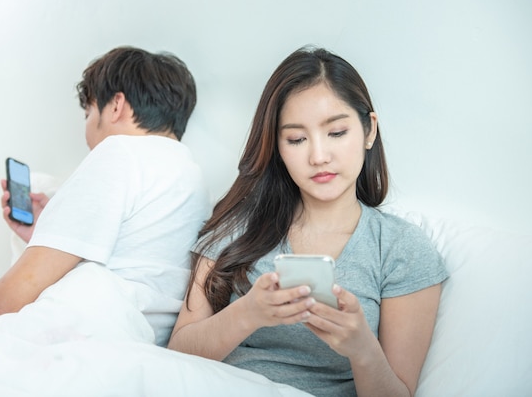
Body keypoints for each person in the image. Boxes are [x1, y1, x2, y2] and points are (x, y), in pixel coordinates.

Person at [167, 46, 449, 396]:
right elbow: (175, 354)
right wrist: (248, 313)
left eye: (336, 132)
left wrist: (362, 348)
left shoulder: (402, 249)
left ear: (369, 131)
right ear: (278, 147)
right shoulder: (236, 227)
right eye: (297, 139)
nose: (318, 156)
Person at [0, 46, 211, 347]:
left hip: (79, 339)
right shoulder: (193, 177)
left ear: (116, 105)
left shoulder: (119, 152)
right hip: (142, 345)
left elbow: (21, 287)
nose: (86, 133)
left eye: (89, 113)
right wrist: (44, 233)